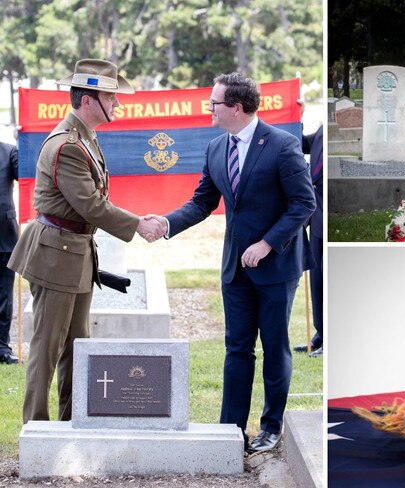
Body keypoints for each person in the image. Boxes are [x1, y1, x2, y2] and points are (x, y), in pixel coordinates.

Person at [150, 73, 315, 453]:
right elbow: (203, 202)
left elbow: (303, 205)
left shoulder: (282, 145)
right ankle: (230, 429)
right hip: (235, 268)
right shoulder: (215, 148)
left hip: (276, 267)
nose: (209, 109)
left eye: (215, 103)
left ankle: (271, 426)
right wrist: (166, 222)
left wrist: (267, 244)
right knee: (237, 347)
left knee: (275, 347)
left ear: (236, 108)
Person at [8, 59, 165, 423]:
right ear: (88, 100)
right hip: (55, 255)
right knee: (47, 347)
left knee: (77, 347)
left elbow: (94, 202)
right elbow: (91, 205)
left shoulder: (85, 139)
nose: (117, 104)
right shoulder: (69, 145)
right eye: (111, 97)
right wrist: (139, 225)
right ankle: (37, 428)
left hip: (74, 252)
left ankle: (70, 422)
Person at [293, 104, 323, 358]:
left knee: (328, 280)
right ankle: (320, 334)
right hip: (316, 220)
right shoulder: (323, 130)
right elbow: (302, 144)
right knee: (317, 283)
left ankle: (331, 338)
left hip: (327, 219)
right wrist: (296, 116)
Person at [0, 141, 19, 365]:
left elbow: (27, 175)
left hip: (3, 236)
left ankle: (2, 346)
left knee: (4, 296)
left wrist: (26, 142)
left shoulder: (9, 151)